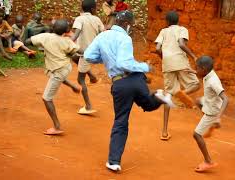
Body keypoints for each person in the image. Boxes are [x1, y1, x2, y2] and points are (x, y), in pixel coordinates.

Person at [84, 10, 175, 172]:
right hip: (136, 79)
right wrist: (145, 67)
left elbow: (88, 56)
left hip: (120, 84)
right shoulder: (125, 38)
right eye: (130, 25)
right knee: (148, 104)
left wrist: (105, 58)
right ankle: (159, 97)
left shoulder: (102, 36)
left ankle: (114, 162)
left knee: (121, 121)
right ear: (126, 24)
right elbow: (125, 62)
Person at [26, 19, 82, 135]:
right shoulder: (67, 41)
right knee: (55, 77)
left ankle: (57, 126)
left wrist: (23, 44)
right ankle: (73, 86)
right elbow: (79, 52)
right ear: (66, 31)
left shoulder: (45, 36)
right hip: (65, 68)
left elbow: (27, 41)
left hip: (58, 70)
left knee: (46, 98)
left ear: (52, 28)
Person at [155, 11, 200, 140]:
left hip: (167, 64)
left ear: (167, 22)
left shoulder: (163, 31)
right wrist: (193, 56)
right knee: (195, 84)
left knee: (168, 95)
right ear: (178, 21)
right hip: (180, 62)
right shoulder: (182, 29)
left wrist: (165, 58)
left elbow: (158, 48)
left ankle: (164, 132)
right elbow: (181, 44)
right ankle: (182, 95)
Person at [193, 56, 229, 172]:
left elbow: (226, 99)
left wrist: (218, 117)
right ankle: (210, 125)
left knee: (197, 135)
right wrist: (192, 71)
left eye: (197, 68)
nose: (196, 70)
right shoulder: (208, 73)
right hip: (209, 101)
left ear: (203, 69)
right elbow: (200, 73)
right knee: (198, 101)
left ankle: (208, 161)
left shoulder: (213, 82)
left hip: (212, 110)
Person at [71, 0, 105, 115]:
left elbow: (75, 35)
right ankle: (92, 77)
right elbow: (103, 34)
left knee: (80, 80)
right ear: (92, 9)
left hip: (86, 54)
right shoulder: (97, 19)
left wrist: (66, 42)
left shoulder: (79, 19)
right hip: (95, 52)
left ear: (82, 9)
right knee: (74, 56)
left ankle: (88, 106)